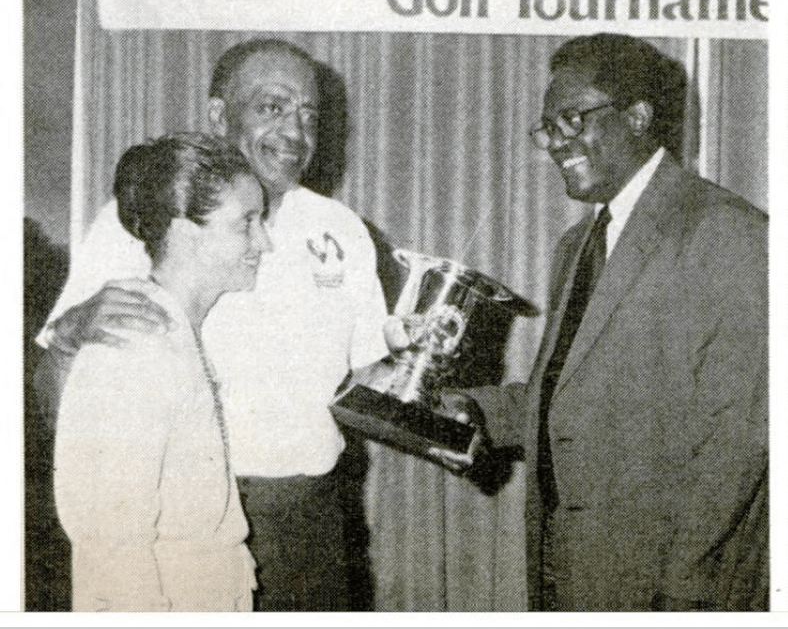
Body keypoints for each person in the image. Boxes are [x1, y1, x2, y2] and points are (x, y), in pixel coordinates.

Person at [37, 39, 390, 611]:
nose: (296, 132)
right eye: (272, 108)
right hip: (187, 521)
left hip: (313, 519)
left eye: (309, 115)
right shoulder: (145, 218)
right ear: (220, 115)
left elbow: (370, 375)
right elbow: (62, 379)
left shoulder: (341, 228)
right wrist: (70, 335)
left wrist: (429, 383)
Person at [444, 33, 768, 611]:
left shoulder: (728, 232)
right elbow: (571, 396)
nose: (556, 142)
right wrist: (473, 412)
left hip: (665, 585)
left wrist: (684, 594)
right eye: (548, 127)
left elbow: (737, 444)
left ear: (638, 117)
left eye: (573, 118)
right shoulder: (577, 244)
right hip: (566, 565)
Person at [54, 133, 270, 611]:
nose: (264, 243)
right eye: (247, 224)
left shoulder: (175, 330)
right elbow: (110, 545)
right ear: (188, 235)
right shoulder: (136, 346)